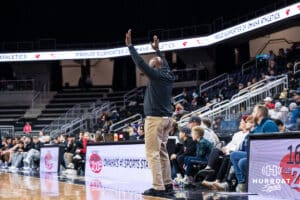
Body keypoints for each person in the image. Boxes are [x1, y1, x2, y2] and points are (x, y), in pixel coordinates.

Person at [125, 29, 175, 197]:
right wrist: (157, 50)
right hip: (167, 118)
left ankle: (158, 187)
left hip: (155, 119)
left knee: (152, 153)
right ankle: (168, 184)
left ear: (154, 67)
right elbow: (163, 62)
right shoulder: (168, 73)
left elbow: (140, 63)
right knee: (162, 152)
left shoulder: (156, 75)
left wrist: (130, 46)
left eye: (151, 65)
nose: (148, 67)